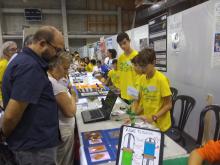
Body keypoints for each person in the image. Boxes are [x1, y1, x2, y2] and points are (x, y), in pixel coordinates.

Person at [1, 26, 64, 165]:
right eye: (57, 50)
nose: (58, 55)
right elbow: (11, 115)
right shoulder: (30, 67)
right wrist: (4, 135)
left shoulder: (28, 62)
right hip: (34, 149)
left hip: (34, 144)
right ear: (42, 44)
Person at [130, 48, 172, 132]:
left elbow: (168, 105)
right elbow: (140, 100)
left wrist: (154, 117)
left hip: (160, 124)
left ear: (153, 62)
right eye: (141, 66)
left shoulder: (161, 79)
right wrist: (132, 116)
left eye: (145, 66)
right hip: (148, 123)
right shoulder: (142, 78)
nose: (142, 69)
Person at [48, 52, 77, 165]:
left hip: (62, 130)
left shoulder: (54, 81)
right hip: (63, 130)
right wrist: (73, 98)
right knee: (64, 161)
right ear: (56, 65)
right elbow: (70, 111)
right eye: (65, 68)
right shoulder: (54, 84)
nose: (66, 72)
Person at [117, 32, 139, 102]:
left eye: (124, 43)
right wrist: (119, 87)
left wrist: (137, 91)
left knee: (133, 112)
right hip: (123, 92)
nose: (123, 46)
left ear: (129, 41)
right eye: (120, 45)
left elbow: (141, 76)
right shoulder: (120, 58)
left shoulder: (137, 56)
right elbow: (120, 74)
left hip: (134, 92)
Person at [0, 41, 17, 107]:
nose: (15, 52)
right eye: (12, 49)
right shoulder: (4, 64)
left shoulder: (9, 63)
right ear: (5, 52)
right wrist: (1, 100)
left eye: (16, 49)